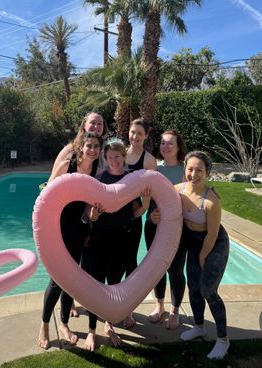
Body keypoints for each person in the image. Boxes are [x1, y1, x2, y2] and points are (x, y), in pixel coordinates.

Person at [38, 132, 104, 350]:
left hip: (79, 229)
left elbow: (90, 208)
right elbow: (47, 195)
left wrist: (92, 218)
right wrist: (47, 230)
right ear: (81, 147)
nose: (92, 149)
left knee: (72, 278)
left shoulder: (97, 172)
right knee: (56, 281)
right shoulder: (68, 165)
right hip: (59, 227)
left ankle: (64, 323)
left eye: (96, 146)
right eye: (88, 145)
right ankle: (45, 324)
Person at [84, 140, 151, 351]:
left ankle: (109, 323)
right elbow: (88, 214)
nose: (114, 160)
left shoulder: (131, 179)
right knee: (96, 284)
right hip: (100, 240)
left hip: (121, 240)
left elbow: (134, 212)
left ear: (124, 156)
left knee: (114, 283)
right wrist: (93, 216)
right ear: (105, 158)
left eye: (118, 156)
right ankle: (91, 331)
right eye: (110, 157)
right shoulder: (98, 179)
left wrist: (147, 204)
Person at [177, 151, 230, 360]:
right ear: (185, 170)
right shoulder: (178, 190)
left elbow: (213, 234)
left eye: (199, 170)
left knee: (208, 290)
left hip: (214, 244)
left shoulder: (212, 200)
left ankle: (223, 340)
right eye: (190, 169)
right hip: (194, 243)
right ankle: (199, 326)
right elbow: (157, 195)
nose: (194, 174)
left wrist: (202, 256)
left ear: (207, 172)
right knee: (193, 287)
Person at [145, 129, 187, 329]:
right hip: (154, 226)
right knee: (157, 269)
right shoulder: (154, 169)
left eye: (170, 143)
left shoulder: (186, 169)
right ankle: (159, 305)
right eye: (162, 143)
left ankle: (174, 311)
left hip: (179, 229)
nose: (165, 146)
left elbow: (193, 197)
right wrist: (151, 214)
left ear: (178, 147)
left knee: (176, 270)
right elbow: (148, 198)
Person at [124, 118, 157, 329]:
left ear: (146, 136)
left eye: (139, 134)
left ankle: (127, 309)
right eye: (132, 132)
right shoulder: (117, 153)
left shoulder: (149, 160)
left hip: (133, 217)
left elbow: (150, 193)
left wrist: (146, 208)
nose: (135, 137)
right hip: (111, 216)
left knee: (129, 263)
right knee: (110, 262)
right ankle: (105, 305)